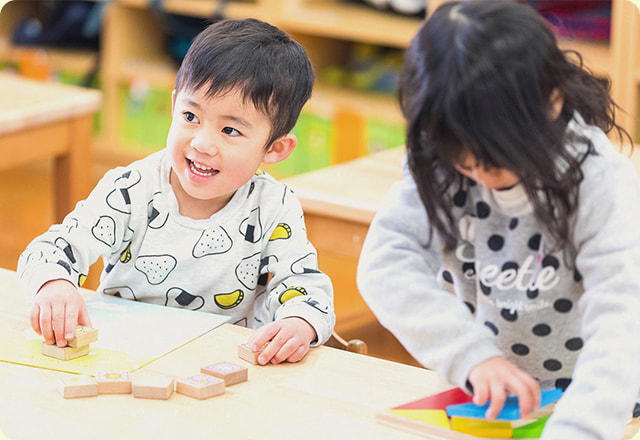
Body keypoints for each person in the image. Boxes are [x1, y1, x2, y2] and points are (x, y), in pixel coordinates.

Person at [356, 1, 640, 438]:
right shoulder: (444, 159)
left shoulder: (600, 182)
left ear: (551, 102)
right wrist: (470, 356)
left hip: (605, 406)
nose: (481, 174)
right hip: (489, 398)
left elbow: (621, 321)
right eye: (464, 162)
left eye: (495, 159)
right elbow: (386, 263)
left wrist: (580, 427)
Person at [17, 18, 335, 366]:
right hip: (121, 359)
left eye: (230, 130)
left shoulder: (274, 205)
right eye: (190, 115)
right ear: (173, 106)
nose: (202, 143)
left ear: (274, 149)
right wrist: (55, 284)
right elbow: (49, 250)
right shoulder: (130, 189)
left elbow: (305, 287)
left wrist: (299, 322)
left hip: (219, 368)